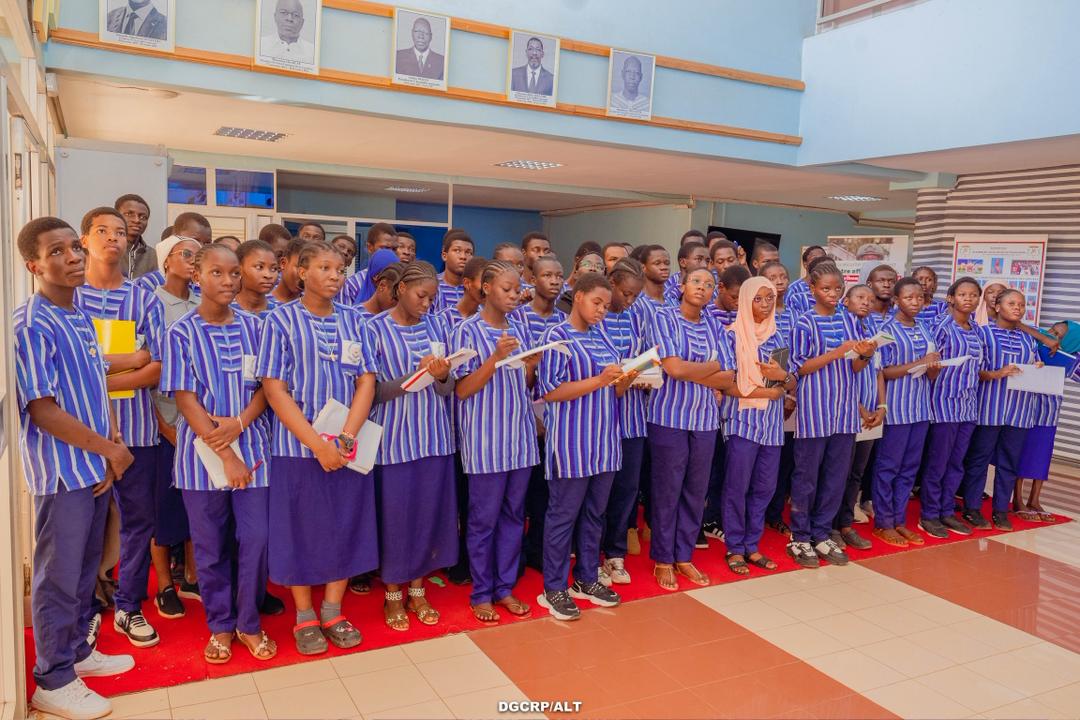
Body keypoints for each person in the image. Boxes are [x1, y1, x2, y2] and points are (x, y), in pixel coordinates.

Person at [16, 217, 136, 720]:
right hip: (62, 472)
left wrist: (112, 443)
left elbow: (95, 386)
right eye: (57, 251)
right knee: (59, 578)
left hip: (95, 466)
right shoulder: (31, 324)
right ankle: (53, 679)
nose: (72, 257)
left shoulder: (80, 315)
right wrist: (107, 450)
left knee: (87, 571)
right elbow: (42, 409)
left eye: (74, 248)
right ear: (34, 265)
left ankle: (76, 653)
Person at [258, 241, 377, 654]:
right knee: (300, 530)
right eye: (324, 268)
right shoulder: (280, 319)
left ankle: (333, 610)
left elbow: (366, 380)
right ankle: (305, 614)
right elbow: (274, 388)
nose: (334, 276)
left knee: (344, 525)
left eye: (340, 269)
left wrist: (345, 438)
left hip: (345, 446)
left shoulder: (355, 320)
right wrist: (316, 444)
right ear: (301, 271)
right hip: (296, 448)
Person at [161, 244, 277, 664]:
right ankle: (220, 626)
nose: (228, 281)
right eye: (216, 273)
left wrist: (240, 423)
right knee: (209, 548)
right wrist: (226, 454)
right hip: (202, 459)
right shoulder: (180, 333)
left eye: (233, 274)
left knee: (256, 539)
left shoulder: (256, 328)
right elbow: (186, 399)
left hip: (254, 450)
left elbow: (267, 388)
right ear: (196, 276)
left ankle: (249, 622)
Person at [76, 207, 167, 647]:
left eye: (119, 232)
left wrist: (98, 375)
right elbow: (69, 369)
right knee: (86, 528)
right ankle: (87, 611)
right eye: (102, 230)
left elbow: (158, 367)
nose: (112, 237)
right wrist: (129, 359)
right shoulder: (70, 298)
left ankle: (129, 606)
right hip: (83, 436)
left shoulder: (143, 299)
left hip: (138, 433)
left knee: (138, 522)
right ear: (84, 240)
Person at [364, 262, 458, 630]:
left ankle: (417, 590)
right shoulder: (373, 329)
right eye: (421, 296)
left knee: (427, 518)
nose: (426, 304)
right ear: (400, 289)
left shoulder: (437, 326)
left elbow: (448, 389)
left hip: (433, 438)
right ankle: (392, 594)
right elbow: (370, 392)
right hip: (393, 443)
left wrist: (442, 376)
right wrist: (414, 376)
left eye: (432, 298)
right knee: (396, 521)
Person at [536, 273, 633, 619]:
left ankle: (587, 579)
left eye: (606, 305)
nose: (602, 310)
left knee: (595, 514)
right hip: (571, 444)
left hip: (604, 442)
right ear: (577, 297)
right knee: (563, 516)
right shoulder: (555, 337)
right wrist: (600, 379)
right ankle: (554, 587)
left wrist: (625, 380)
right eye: (597, 302)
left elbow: (612, 391)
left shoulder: (602, 335)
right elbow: (551, 391)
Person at [453, 261, 539, 622]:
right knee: (482, 521)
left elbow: (527, 386)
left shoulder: (521, 327)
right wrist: (495, 358)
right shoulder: (466, 330)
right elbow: (462, 389)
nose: (514, 295)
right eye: (506, 289)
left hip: (519, 439)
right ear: (486, 288)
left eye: (517, 289)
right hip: (485, 441)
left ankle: (504, 588)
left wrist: (531, 365)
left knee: (514, 517)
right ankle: (481, 592)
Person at [648, 268, 734, 590]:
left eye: (709, 284)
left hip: (705, 420)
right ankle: (663, 559)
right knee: (667, 491)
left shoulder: (714, 325)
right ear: (682, 285)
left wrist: (697, 371)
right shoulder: (664, 318)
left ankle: (683, 556)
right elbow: (673, 368)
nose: (702, 288)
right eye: (696, 281)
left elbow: (729, 376)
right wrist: (711, 368)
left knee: (696, 492)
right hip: (669, 417)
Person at [787, 262, 876, 568]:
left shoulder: (849, 320)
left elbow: (855, 367)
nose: (833, 294)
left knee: (835, 477)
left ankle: (822, 533)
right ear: (812, 289)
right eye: (825, 288)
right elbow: (800, 367)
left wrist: (865, 354)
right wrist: (838, 351)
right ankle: (800, 536)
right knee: (807, 477)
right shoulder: (804, 322)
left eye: (838, 289)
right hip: (815, 411)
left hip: (844, 411)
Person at [722, 277, 794, 574]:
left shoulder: (778, 335)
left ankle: (752, 545)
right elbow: (726, 384)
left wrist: (782, 376)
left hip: (772, 426)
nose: (765, 304)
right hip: (742, 421)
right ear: (745, 300)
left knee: (765, 487)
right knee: (737, 487)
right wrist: (768, 392)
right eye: (758, 298)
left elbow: (791, 381)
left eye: (770, 298)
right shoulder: (732, 335)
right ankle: (735, 547)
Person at [148, 235, 201, 619]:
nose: (193, 260)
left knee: (196, 504)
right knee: (164, 509)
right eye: (186, 254)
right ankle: (165, 584)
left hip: (199, 419)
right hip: (165, 419)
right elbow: (149, 368)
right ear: (166, 261)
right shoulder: (153, 302)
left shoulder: (203, 302)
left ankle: (193, 577)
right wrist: (162, 423)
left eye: (198, 255)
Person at [960, 289, 1040, 532]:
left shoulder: (1028, 339)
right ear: (997, 306)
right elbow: (973, 371)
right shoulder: (983, 333)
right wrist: (997, 373)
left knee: (1009, 462)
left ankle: (1001, 510)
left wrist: (1038, 367)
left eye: (1021, 304)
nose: (1017, 308)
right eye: (1011, 303)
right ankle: (972, 508)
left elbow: (1035, 365)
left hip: (1020, 410)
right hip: (989, 409)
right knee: (979, 459)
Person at [870, 278, 941, 547]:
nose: (915, 302)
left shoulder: (925, 327)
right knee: (888, 467)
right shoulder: (886, 329)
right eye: (909, 297)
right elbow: (884, 372)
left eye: (919, 297)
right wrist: (919, 362)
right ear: (896, 300)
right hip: (896, 409)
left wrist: (933, 368)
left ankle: (900, 521)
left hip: (920, 408)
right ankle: (883, 522)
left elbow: (930, 371)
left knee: (909, 469)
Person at [510, 255, 566, 572]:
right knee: (522, 496)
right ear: (532, 279)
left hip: (558, 416)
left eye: (559, 276)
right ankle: (514, 557)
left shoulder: (565, 320)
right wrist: (532, 416)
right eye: (547, 275)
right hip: (524, 415)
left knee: (548, 494)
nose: (555, 281)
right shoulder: (517, 319)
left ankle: (540, 552)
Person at [919, 277, 983, 537]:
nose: (968, 299)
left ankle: (947, 510)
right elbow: (929, 364)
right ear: (951, 298)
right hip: (943, 403)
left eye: (973, 295)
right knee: (938, 462)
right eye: (963, 294)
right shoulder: (940, 326)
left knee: (956, 463)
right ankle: (930, 514)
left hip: (968, 405)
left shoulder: (976, 329)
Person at [598, 259, 647, 586]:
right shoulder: (595, 319)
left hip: (632, 419)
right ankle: (591, 555)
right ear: (611, 283)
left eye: (635, 295)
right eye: (625, 293)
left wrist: (645, 375)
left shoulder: (636, 319)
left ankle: (615, 554)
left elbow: (644, 359)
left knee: (626, 490)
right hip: (601, 420)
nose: (629, 300)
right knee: (599, 493)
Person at [831, 284, 881, 551]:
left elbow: (879, 371)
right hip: (849, 411)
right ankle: (830, 525)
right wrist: (860, 407)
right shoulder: (842, 327)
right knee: (839, 471)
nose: (866, 303)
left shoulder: (872, 330)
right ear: (846, 300)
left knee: (857, 472)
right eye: (860, 297)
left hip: (871, 412)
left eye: (870, 300)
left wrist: (881, 406)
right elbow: (845, 372)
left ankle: (846, 523)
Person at [1016, 320, 1077, 521]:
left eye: (1059, 336)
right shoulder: (1034, 342)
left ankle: (1034, 499)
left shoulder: (1072, 359)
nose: (1053, 335)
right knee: (1022, 451)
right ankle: (1017, 499)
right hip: (1026, 407)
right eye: (1053, 330)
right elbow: (1020, 325)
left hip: (1049, 411)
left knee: (1042, 454)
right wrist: (1045, 338)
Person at [760, 261, 798, 539]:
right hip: (759, 400)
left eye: (783, 276)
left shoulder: (795, 315)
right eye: (772, 277)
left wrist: (790, 393)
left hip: (787, 394)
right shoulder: (757, 317)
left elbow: (794, 356)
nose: (779, 281)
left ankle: (774, 514)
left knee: (784, 460)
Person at [133, 212, 212, 294]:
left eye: (207, 243)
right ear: (174, 239)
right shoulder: (148, 283)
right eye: (195, 240)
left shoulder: (205, 285)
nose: (200, 247)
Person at [341, 223, 397, 305]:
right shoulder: (353, 285)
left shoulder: (402, 281)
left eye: (394, 249)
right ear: (370, 247)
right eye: (385, 248)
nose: (390, 253)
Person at [234, 240, 281, 317]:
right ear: (239, 270)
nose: (268, 275)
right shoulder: (224, 310)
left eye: (273, 269)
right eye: (259, 267)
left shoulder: (281, 313)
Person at [115, 194, 156, 278]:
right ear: (115, 216)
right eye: (129, 214)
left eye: (143, 217)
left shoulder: (154, 256)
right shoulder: (102, 249)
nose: (137, 220)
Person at [435, 229, 475, 313]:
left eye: (468, 252)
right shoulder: (432, 285)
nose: (463, 257)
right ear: (444, 256)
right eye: (457, 250)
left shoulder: (475, 289)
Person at [785, 245, 827, 315]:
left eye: (823, 259)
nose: (819, 262)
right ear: (805, 264)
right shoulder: (793, 289)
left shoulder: (832, 288)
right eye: (814, 259)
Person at [272, 238, 306, 305]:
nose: (303, 275)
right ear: (283, 263)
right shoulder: (260, 301)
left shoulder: (311, 306)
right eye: (299, 268)